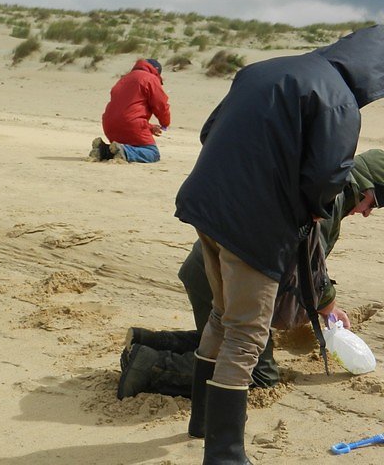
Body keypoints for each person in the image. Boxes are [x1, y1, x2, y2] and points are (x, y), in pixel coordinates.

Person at [174, 26, 384, 463]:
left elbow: (210, 130)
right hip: (254, 225)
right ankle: (225, 454)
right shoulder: (339, 101)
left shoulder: (264, 70)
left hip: (207, 202)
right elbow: (327, 176)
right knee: (246, 333)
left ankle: (202, 421)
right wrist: (310, 207)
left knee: (221, 315)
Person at [118, 149, 384, 399]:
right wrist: (328, 307)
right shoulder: (330, 199)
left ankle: (148, 341)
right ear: (364, 186)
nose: (366, 214)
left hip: (209, 264)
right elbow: (307, 270)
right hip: (232, 277)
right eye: (372, 204)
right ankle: (149, 366)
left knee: (224, 340)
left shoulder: (316, 178)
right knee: (257, 373)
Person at [90, 57, 170, 163]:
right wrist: (165, 123)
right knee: (152, 153)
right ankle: (125, 151)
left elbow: (127, 111)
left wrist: (150, 127)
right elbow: (161, 104)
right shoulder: (150, 78)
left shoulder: (124, 78)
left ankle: (103, 150)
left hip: (109, 124)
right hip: (131, 125)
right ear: (156, 71)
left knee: (123, 146)